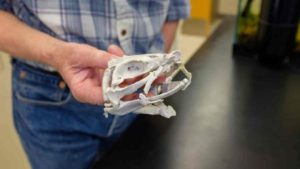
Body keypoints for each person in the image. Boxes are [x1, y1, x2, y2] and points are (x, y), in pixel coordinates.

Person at [0, 0, 190, 168]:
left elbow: (174, 8)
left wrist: (152, 70)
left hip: (143, 96)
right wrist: (57, 54)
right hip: (50, 101)